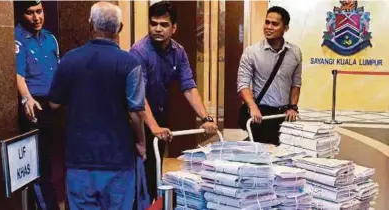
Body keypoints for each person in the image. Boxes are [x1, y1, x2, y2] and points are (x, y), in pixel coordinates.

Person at [48, 2, 147, 209]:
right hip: (118, 160)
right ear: (119, 28)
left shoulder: (69, 60)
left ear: (90, 25)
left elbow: (54, 103)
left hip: (79, 160)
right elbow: (137, 111)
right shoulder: (130, 64)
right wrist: (141, 143)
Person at [130, 1, 218, 202]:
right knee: (140, 176)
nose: (157, 29)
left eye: (164, 24)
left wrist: (206, 117)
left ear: (174, 28)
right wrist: (152, 126)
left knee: (155, 171)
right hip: (136, 118)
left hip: (158, 116)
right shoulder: (139, 52)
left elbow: (188, 86)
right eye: (153, 24)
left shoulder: (178, 52)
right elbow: (138, 95)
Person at [14, 1, 61, 209]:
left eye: (39, 12)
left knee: (55, 163)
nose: (36, 18)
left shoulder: (50, 38)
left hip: (55, 105)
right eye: (30, 13)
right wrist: (26, 98)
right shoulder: (17, 39)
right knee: (40, 168)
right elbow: (18, 74)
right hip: (36, 107)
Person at [237, 6, 302, 145]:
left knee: (284, 154)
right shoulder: (251, 52)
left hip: (284, 114)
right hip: (261, 114)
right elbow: (243, 84)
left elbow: (296, 83)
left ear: (285, 28)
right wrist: (252, 107)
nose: (269, 27)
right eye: (267, 22)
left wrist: (293, 107)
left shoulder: (295, 52)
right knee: (261, 153)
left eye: (275, 24)